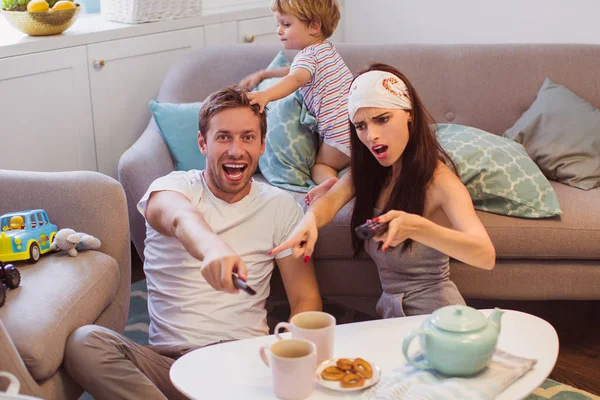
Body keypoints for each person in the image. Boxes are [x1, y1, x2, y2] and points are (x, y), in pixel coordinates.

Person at [63, 86, 322, 400]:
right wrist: (212, 249)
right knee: (85, 343)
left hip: (245, 363)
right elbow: (179, 218)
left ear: (262, 144)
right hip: (172, 364)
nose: (236, 150)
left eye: (248, 137)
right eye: (223, 137)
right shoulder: (170, 188)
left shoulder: (281, 206)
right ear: (203, 142)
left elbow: (305, 299)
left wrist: (285, 358)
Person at [271, 64, 496, 319]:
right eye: (361, 126)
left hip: (437, 317)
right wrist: (308, 221)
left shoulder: (440, 182)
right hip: (389, 313)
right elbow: (332, 201)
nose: (372, 136)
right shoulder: (370, 172)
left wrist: (416, 227)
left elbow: (485, 255)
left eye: (382, 119)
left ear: (409, 113)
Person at [239, 0, 352, 205]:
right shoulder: (327, 51)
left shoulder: (306, 58)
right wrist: (264, 74)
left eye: (286, 24)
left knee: (320, 167)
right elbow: (293, 72)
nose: (279, 31)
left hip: (339, 136)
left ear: (314, 26)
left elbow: (294, 79)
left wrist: (266, 95)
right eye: (278, 24)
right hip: (357, 128)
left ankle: (341, 188)